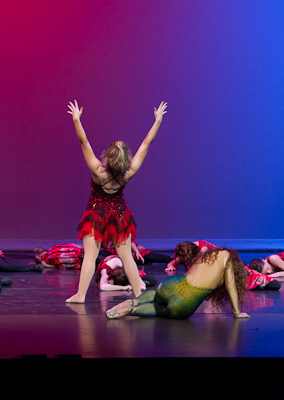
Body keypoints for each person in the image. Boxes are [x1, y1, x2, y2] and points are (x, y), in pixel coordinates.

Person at [65, 99, 168, 303]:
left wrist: (76, 120)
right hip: (119, 215)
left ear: (107, 157)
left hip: (96, 214)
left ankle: (80, 295)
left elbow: (84, 143)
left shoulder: (98, 172)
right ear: (125, 160)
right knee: (126, 256)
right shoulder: (128, 173)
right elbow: (146, 144)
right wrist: (158, 120)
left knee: (90, 256)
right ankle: (138, 295)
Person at [105, 247, 250, 319]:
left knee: (156, 295)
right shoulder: (227, 259)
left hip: (171, 284)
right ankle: (133, 311)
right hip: (184, 304)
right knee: (157, 310)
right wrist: (237, 313)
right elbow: (231, 285)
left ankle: (134, 302)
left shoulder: (205, 257)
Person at [100, 241, 173, 266]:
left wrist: (137, 252)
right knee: (102, 255)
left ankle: (173, 259)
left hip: (131, 250)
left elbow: (130, 240)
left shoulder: (120, 226)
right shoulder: (102, 229)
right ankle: (137, 261)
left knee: (151, 257)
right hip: (115, 253)